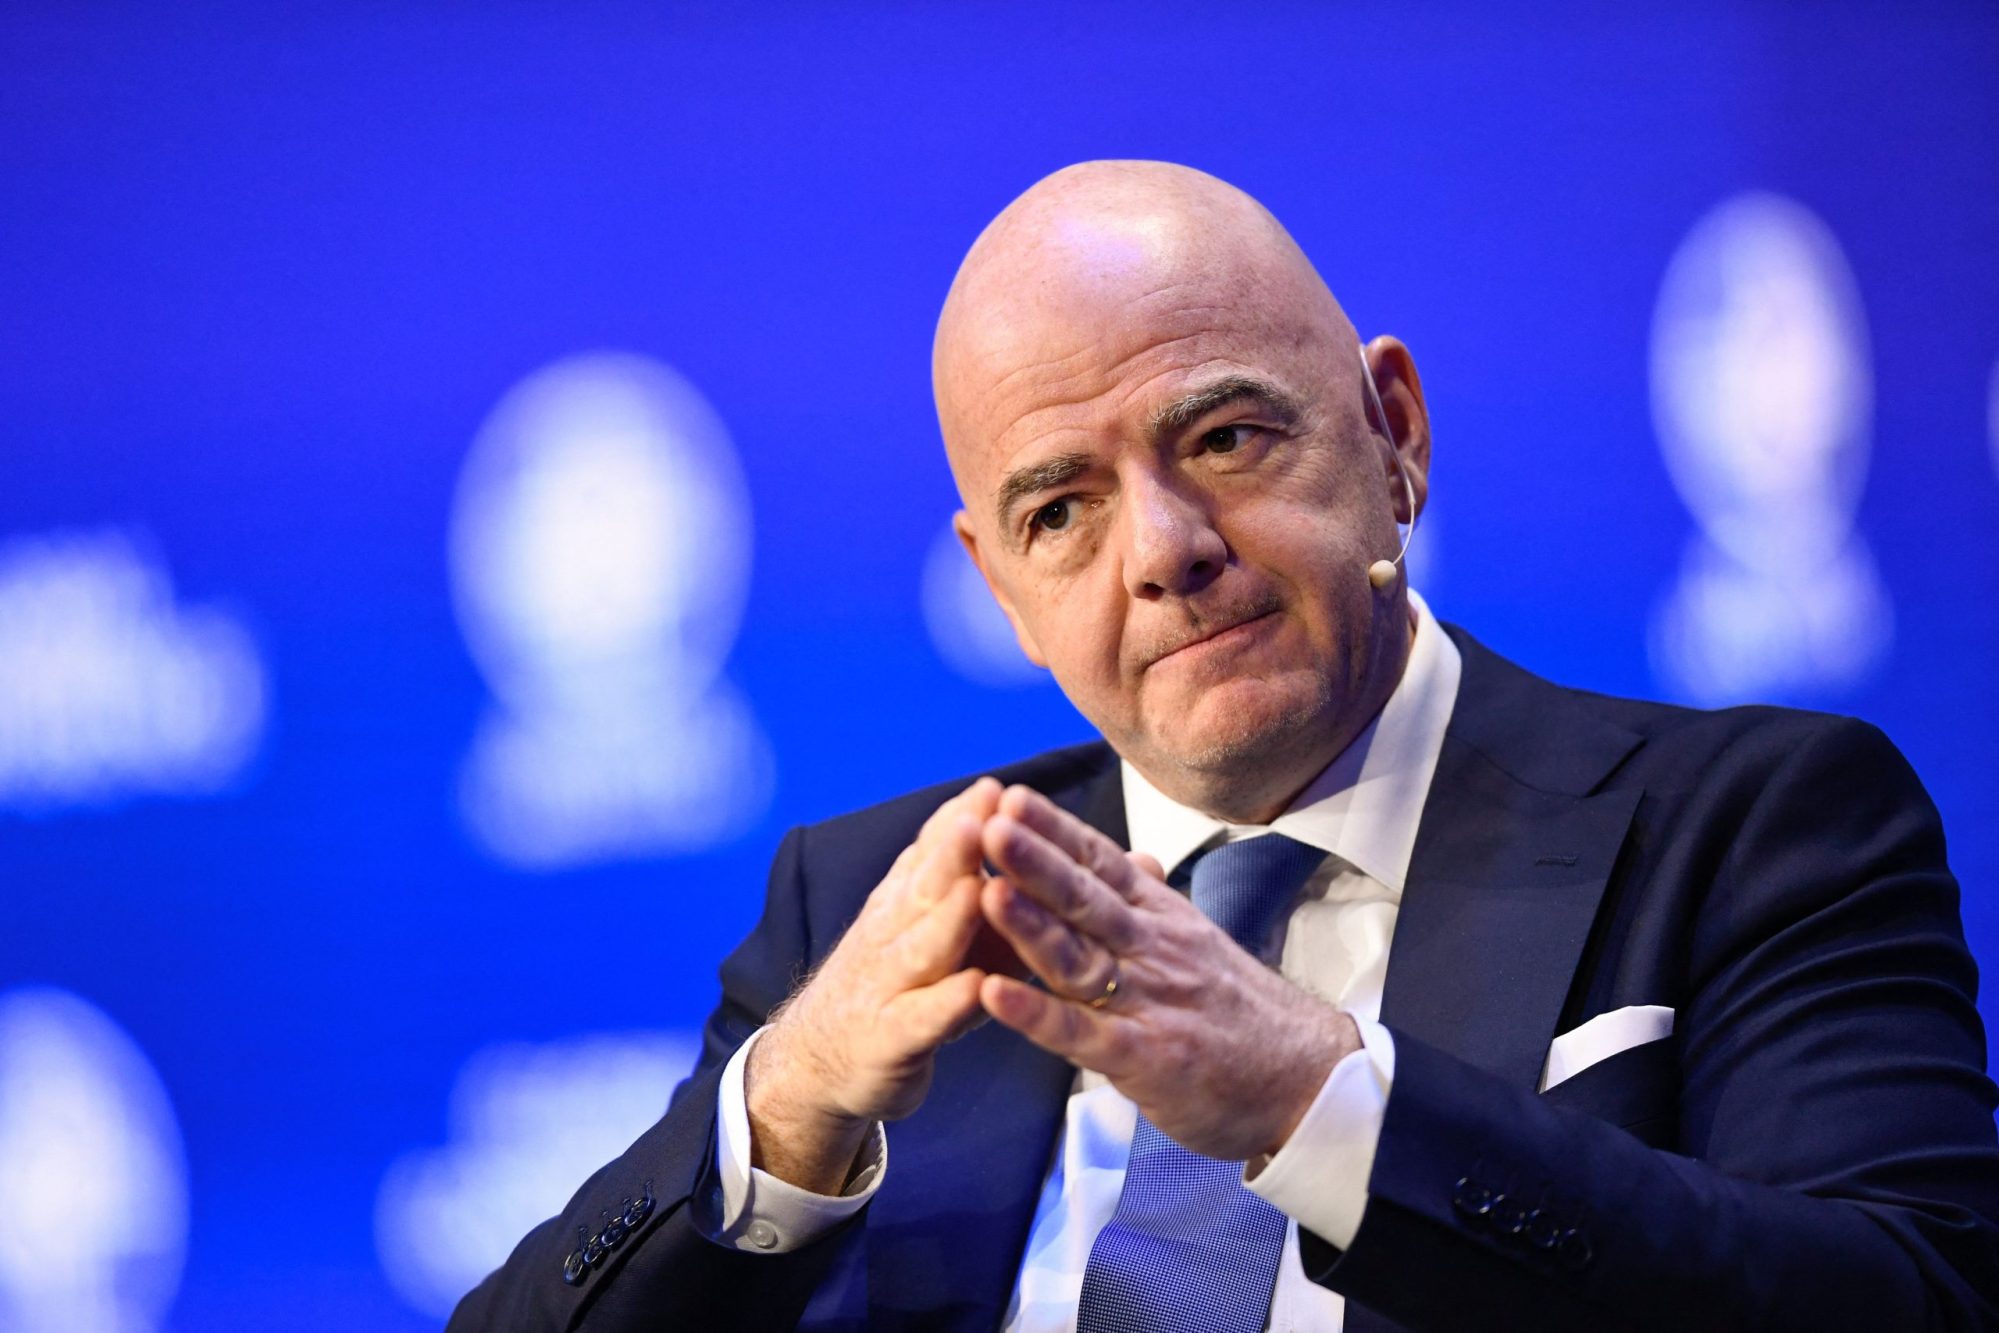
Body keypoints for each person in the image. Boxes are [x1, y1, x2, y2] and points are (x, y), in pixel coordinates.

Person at [451, 162, 1999, 1331]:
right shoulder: (880, 907)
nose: (1165, 550)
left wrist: (1319, 1102)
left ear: (1396, 433)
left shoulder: (1751, 825)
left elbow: (1914, 1295)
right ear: (1000, 589)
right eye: (1062, 509)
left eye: (1225, 437)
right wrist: (783, 1106)